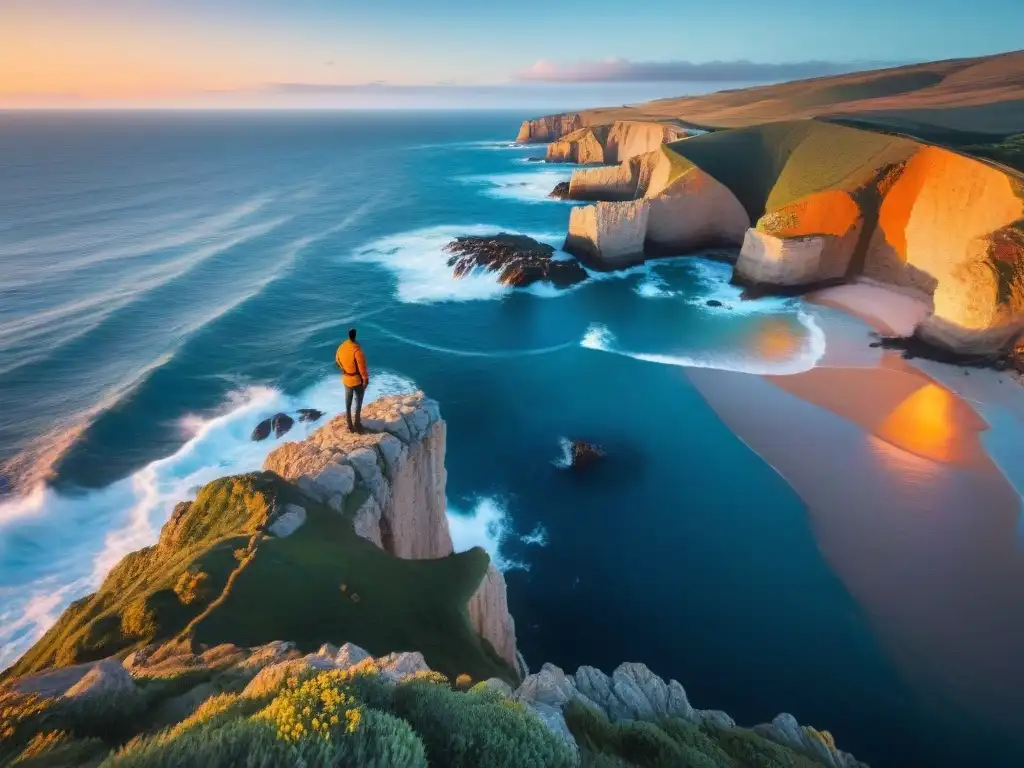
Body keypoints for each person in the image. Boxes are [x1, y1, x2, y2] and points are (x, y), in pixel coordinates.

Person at [335, 328, 369, 433]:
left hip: (346, 379)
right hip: (357, 381)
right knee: (358, 403)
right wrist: (365, 380)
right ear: (355, 336)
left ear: (349, 336)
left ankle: (349, 426)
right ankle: (357, 424)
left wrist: (343, 368)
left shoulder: (341, 347)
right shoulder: (357, 351)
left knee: (348, 403)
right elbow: (362, 368)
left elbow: (337, 359)